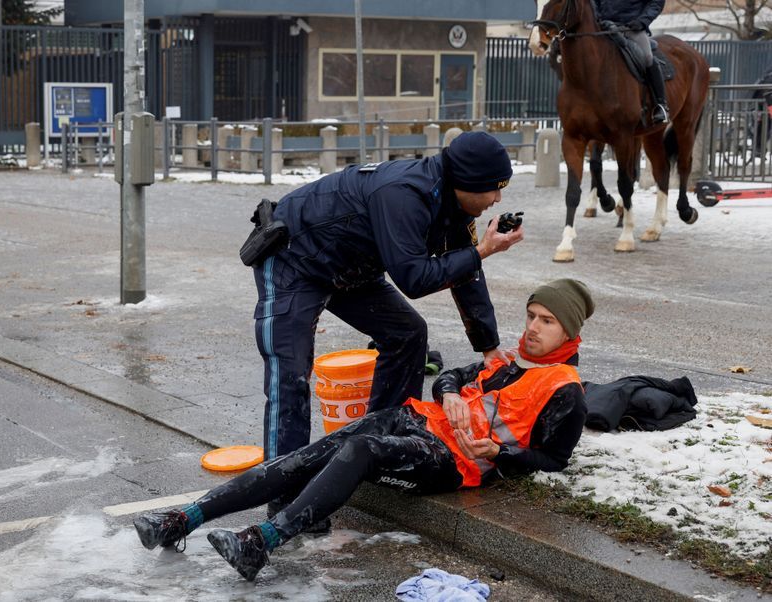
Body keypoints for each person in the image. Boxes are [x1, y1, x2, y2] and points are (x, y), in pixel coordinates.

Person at [134, 279, 594, 581]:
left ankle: (263, 542)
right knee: (313, 454)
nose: (532, 327)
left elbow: (553, 460)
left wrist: (496, 453)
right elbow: (453, 374)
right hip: (417, 420)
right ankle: (181, 520)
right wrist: (449, 392)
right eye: (531, 315)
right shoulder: (511, 359)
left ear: (568, 331)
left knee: (361, 450)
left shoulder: (565, 391)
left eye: (546, 321)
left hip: (452, 460)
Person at [247, 131, 522, 477]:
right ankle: (282, 491)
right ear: (466, 181)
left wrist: (489, 347)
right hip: (295, 259)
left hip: (348, 265)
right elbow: (414, 279)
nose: (497, 199)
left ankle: (382, 445)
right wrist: (482, 250)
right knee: (291, 374)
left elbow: (465, 272)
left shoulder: (455, 204)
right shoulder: (404, 194)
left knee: (408, 334)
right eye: (494, 188)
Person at [596, 0, 669, 124]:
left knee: (647, 57)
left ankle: (660, 105)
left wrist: (641, 21)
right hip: (603, 28)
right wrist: (597, 19)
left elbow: (656, 3)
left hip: (631, 28)